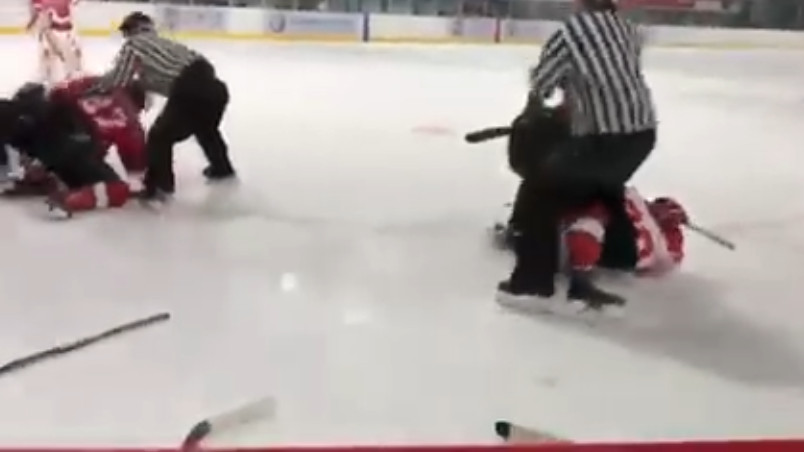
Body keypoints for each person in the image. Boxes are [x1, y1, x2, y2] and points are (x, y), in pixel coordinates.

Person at [497, 0, 657, 310]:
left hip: (603, 138)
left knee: (539, 190)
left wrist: (536, 110)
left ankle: (532, 285)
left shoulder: (570, 33)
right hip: (641, 136)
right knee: (604, 185)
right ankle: (618, 257)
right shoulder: (628, 29)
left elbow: (543, 84)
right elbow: (608, 79)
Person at [89, 11, 235, 204]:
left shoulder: (134, 44)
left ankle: (160, 187)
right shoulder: (170, 46)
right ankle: (222, 169)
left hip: (189, 87)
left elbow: (119, 78)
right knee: (206, 130)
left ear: (132, 30)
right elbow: (190, 71)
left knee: (159, 137)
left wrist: (94, 87)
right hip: (216, 89)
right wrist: (144, 85)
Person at [1, 82, 139, 218]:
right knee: (116, 188)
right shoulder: (124, 111)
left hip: (45, 131)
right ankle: (69, 198)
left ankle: (41, 174)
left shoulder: (75, 94)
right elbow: (134, 146)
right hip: (69, 143)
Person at [27, 0, 82, 85]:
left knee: (72, 55)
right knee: (48, 54)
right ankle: (47, 76)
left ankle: (73, 74)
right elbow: (44, 25)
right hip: (53, 32)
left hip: (64, 33)